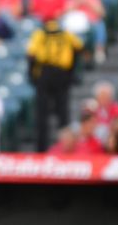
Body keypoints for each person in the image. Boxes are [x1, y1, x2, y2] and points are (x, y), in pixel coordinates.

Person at [27, 19, 83, 151]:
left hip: (45, 74)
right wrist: (72, 73)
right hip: (61, 74)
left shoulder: (40, 34)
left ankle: (41, 150)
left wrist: (32, 76)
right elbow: (79, 48)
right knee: (63, 115)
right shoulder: (66, 34)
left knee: (43, 114)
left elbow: (31, 55)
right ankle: (64, 148)